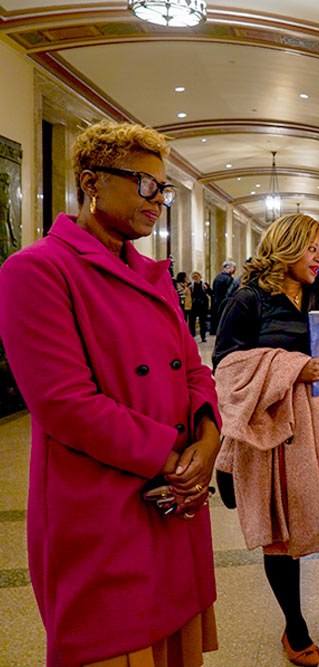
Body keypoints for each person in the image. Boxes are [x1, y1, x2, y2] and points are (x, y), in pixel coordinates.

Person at [0, 120, 220, 666]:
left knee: (173, 644)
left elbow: (194, 369)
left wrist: (209, 441)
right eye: (146, 184)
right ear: (91, 182)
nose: (159, 201)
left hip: (172, 501)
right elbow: (64, 404)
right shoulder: (36, 270)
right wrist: (171, 458)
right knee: (115, 642)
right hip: (104, 503)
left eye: (163, 189)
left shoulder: (151, 272)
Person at [213, 214, 319, 667]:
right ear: (285, 248)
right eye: (312, 248)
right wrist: (289, 367)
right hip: (275, 434)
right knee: (281, 529)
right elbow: (226, 369)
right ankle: (295, 625)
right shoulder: (249, 300)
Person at [210, 261, 237, 335]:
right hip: (225, 302)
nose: (235, 270)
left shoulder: (217, 277)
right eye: (234, 268)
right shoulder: (229, 279)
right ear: (230, 268)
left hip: (216, 302)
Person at [188, 271, 211, 341]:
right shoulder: (190, 285)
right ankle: (191, 336)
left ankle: (203, 337)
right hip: (193, 305)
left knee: (202, 322)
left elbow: (210, 293)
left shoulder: (204, 284)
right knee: (192, 322)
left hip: (202, 306)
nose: (195, 278)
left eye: (196, 276)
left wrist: (207, 289)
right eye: (194, 277)